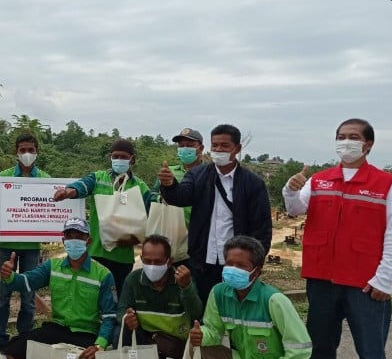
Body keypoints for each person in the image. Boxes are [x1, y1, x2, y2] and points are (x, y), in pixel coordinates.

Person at [283, 118, 392, 359]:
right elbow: (296, 209)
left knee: (371, 354)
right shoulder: (321, 180)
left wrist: (385, 278)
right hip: (322, 278)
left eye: (353, 137)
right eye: (341, 137)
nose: (346, 142)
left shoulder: (385, 183)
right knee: (319, 346)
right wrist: (290, 189)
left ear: (368, 145)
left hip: (366, 282)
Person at [188, 235, 312, 359]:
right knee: (200, 350)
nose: (233, 269)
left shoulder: (274, 300)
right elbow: (213, 330)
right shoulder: (219, 293)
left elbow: (301, 348)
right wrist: (201, 334)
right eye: (229, 263)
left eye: (241, 265)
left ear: (257, 271)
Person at [158, 124, 272, 306]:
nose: (218, 150)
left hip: (236, 265)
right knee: (203, 313)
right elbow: (181, 197)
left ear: (237, 148)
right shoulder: (197, 175)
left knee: (236, 313)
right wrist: (170, 185)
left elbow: (262, 228)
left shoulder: (253, 184)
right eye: (215, 145)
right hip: (202, 261)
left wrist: (255, 263)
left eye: (224, 146)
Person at [2, 217, 117, 359]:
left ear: (88, 241)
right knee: (10, 355)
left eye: (79, 236)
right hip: (56, 329)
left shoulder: (103, 274)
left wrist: (99, 345)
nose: (74, 240)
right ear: (63, 241)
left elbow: (109, 316)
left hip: (85, 334)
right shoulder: (53, 266)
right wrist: (10, 276)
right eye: (69, 236)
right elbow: (28, 282)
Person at [54, 139, 157, 296]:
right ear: (110, 157)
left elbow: (154, 205)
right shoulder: (98, 178)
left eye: (123, 157)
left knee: (119, 297)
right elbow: (81, 186)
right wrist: (67, 192)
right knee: (94, 297)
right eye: (115, 156)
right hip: (96, 253)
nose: (118, 160)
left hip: (123, 257)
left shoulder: (139, 186)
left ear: (132, 159)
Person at [0, 133, 51, 344]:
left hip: (31, 246)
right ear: (15, 152)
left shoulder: (46, 180)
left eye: (31, 150)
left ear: (37, 152)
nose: (27, 154)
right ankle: (0, 338)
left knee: (28, 296)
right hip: (6, 244)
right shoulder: (4, 177)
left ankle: (24, 339)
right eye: (23, 150)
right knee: (4, 295)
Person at [117, 234, 203, 359]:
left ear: (169, 261)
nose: (152, 266)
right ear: (141, 259)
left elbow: (196, 314)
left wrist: (186, 288)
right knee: (119, 332)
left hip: (173, 343)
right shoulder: (133, 279)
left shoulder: (183, 281)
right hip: (145, 338)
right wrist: (127, 317)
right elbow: (121, 309)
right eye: (147, 261)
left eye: (158, 262)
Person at [152, 127, 205, 266]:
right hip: (170, 235)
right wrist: (162, 197)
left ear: (201, 148)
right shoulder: (168, 172)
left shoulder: (208, 173)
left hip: (199, 239)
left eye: (190, 145)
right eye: (181, 146)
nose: (184, 149)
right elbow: (153, 195)